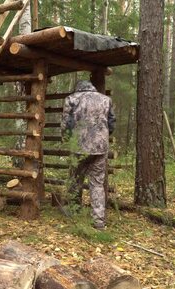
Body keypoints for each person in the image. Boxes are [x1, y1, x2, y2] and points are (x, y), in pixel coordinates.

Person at [61, 80, 116, 229]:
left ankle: (74, 211)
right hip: (100, 147)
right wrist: (102, 136)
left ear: (78, 88)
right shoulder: (106, 100)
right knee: (97, 184)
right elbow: (111, 123)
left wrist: (67, 139)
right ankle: (98, 221)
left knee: (75, 179)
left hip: (79, 146)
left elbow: (67, 124)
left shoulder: (72, 99)